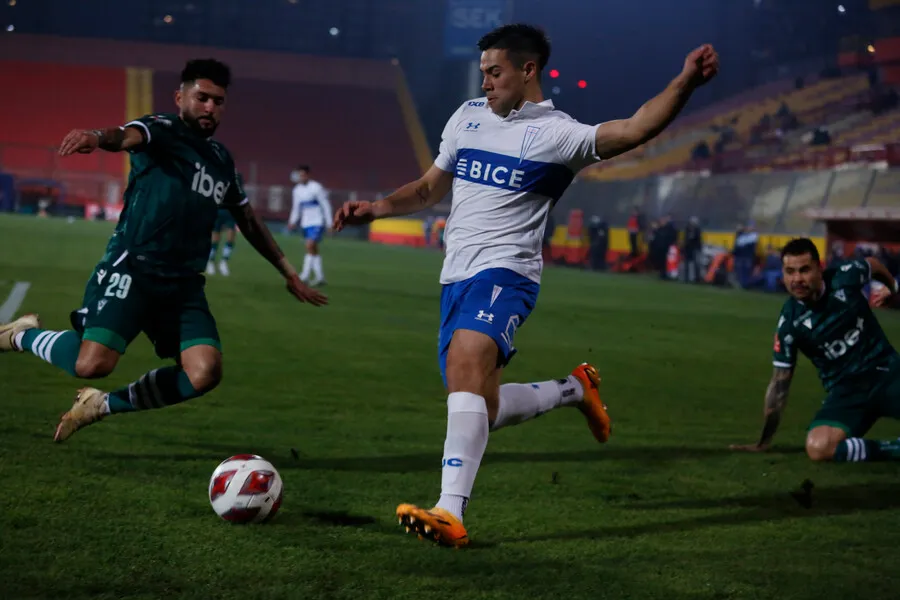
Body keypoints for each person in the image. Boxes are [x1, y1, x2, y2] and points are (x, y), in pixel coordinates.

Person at [333, 23, 719, 547]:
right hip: (456, 277)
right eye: (483, 73)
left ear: (528, 70)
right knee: (480, 403)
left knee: (467, 365)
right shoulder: (467, 117)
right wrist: (376, 209)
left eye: (495, 72)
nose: (485, 82)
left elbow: (632, 129)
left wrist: (685, 83)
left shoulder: (558, 134)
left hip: (507, 273)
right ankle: (574, 388)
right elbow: (427, 188)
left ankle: (451, 511)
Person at [0, 59, 327, 443]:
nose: (210, 107)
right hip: (134, 268)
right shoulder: (163, 129)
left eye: (218, 101)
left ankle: (100, 406)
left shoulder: (221, 161)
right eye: (202, 97)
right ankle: (20, 335)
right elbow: (125, 135)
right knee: (90, 365)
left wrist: (289, 272)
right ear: (180, 97)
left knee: (204, 372)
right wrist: (94, 135)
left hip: (183, 284)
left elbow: (249, 222)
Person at [731, 238, 900, 462]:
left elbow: (873, 264)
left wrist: (892, 289)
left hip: (886, 372)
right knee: (818, 448)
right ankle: (893, 449)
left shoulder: (844, 276)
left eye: (804, 270)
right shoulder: (790, 323)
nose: (797, 279)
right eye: (789, 272)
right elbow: (780, 384)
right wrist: (763, 442)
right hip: (846, 392)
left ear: (819, 268)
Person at [287, 165, 331, 286]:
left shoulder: (316, 187)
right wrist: (292, 221)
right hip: (305, 223)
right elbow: (296, 207)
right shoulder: (296, 190)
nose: (301, 178)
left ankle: (304, 275)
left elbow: (325, 205)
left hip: (317, 221)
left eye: (303, 175)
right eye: (299, 175)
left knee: (309, 245)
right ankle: (320, 277)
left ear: (308, 175)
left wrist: (329, 223)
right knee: (313, 249)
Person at [207, 196, 239, 277]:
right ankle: (210, 262)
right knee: (215, 240)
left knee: (231, 237)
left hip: (229, 211)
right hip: (217, 210)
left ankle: (224, 262)